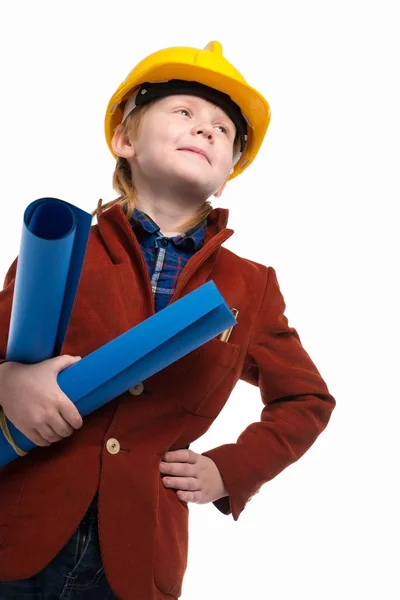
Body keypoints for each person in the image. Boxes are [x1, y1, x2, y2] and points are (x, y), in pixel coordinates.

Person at [0, 41, 336, 599]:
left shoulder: (249, 287)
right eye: (184, 112)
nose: (205, 129)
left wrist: (233, 469)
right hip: (16, 531)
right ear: (124, 140)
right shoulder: (60, 247)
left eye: (223, 130)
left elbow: (307, 400)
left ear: (229, 172)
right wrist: (7, 380)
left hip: (136, 557)